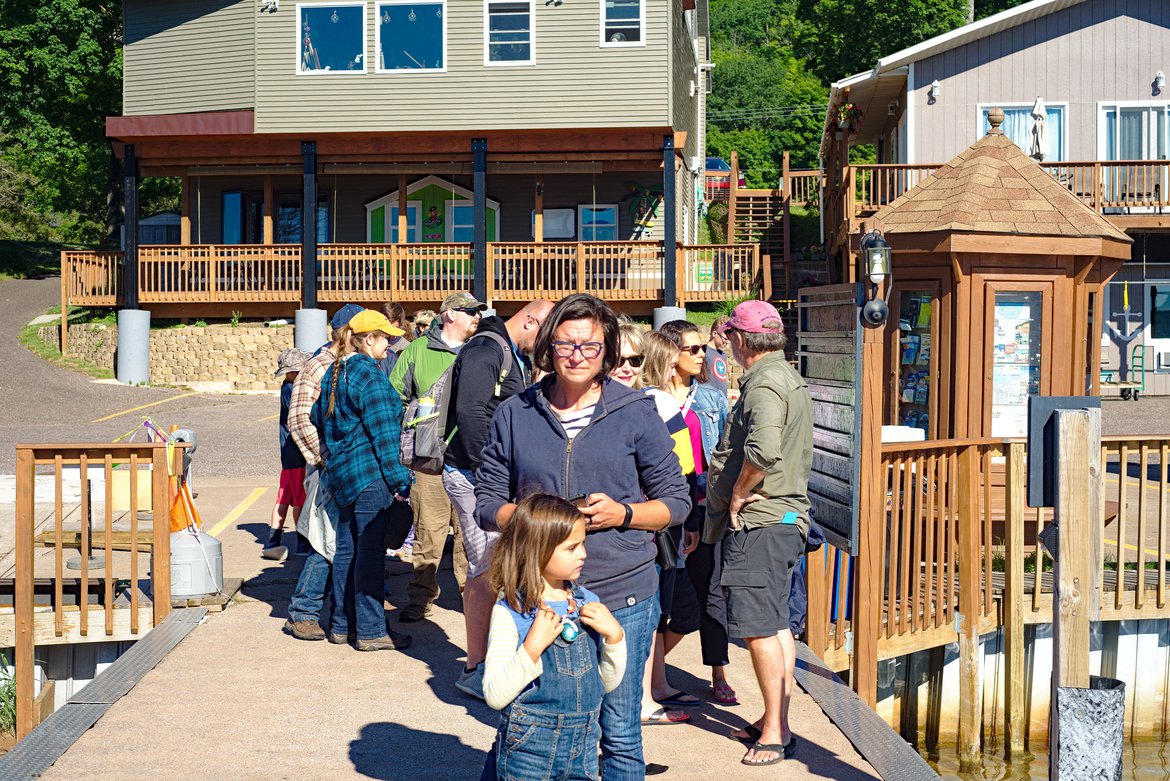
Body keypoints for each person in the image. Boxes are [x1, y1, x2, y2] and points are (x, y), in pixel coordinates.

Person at [475, 293, 691, 780]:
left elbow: (675, 502)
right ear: (547, 347)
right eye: (565, 344)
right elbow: (487, 501)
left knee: (619, 732)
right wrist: (537, 521)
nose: (577, 356)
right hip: (538, 597)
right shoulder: (515, 412)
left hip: (622, 593)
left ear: (607, 351)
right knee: (527, 716)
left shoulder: (635, 411)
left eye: (590, 346)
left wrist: (624, 513)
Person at [705, 300, 812, 766]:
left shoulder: (765, 382)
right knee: (776, 624)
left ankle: (774, 731)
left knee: (758, 630)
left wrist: (739, 493)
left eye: (729, 337)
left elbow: (762, 450)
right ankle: (778, 720)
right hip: (783, 521)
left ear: (741, 340)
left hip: (763, 523)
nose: (727, 344)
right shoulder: (785, 375)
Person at [443, 299, 554, 699]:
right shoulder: (487, 349)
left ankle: (490, 658)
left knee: (494, 567)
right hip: (474, 476)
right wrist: (492, 477)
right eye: (547, 332)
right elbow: (471, 414)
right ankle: (475, 667)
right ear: (529, 320)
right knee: (486, 570)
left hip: (486, 476)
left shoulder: (504, 350)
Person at [482, 494, 627, 781]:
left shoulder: (588, 603)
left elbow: (603, 684)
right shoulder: (511, 612)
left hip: (582, 754)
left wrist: (615, 637)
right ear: (537, 550)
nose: (583, 553)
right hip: (528, 757)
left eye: (583, 543)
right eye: (571, 547)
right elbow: (494, 695)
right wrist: (531, 648)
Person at [313, 309, 414, 651]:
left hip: (343, 476)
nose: (390, 343)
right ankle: (371, 631)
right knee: (369, 555)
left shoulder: (334, 371)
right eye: (385, 337)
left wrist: (336, 450)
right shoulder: (369, 375)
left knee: (347, 551)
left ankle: (342, 625)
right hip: (370, 476)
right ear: (368, 339)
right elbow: (385, 435)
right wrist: (401, 481)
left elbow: (316, 416)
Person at [390, 292, 485, 622]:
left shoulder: (483, 349)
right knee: (428, 531)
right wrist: (415, 425)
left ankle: (469, 593)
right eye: (470, 311)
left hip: (471, 460)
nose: (477, 316)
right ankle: (421, 597)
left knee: (468, 533)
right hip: (427, 461)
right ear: (449, 315)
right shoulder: (418, 350)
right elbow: (393, 397)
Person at [656, 320, 735, 707]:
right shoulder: (649, 398)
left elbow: (723, 452)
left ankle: (718, 671)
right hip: (667, 508)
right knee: (666, 595)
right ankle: (646, 671)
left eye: (704, 348)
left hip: (704, 506)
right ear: (671, 352)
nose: (703, 355)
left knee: (711, 590)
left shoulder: (712, 398)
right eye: (694, 349)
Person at [283, 303, 363, 641]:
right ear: (348, 334)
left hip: (349, 466)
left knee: (344, 541)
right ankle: (303, 611)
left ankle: (341, 611)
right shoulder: (319, 367)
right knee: (324, 541)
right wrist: (325, 457)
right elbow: (299, 418)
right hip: (328, 467)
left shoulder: (350, 364)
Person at [263, 348, 311, 561]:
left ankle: (274, 540)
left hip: (288, 453)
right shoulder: (291, 389)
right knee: (299, 498)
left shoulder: (288, 387)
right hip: (296, 451)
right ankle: (301, 541)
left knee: (284, 496)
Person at [376, 301, 411, 378]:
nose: (387, 333)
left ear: (399, 323)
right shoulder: (374, 344)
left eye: (391, 328)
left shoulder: (406, 347)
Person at [704, 315, 732, 398]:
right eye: (725, 339)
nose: (727, 343)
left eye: (730, 340)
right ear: (715, 333)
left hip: (721, 401)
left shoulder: (723, 355)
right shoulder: (703, 352)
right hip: (708, 400)